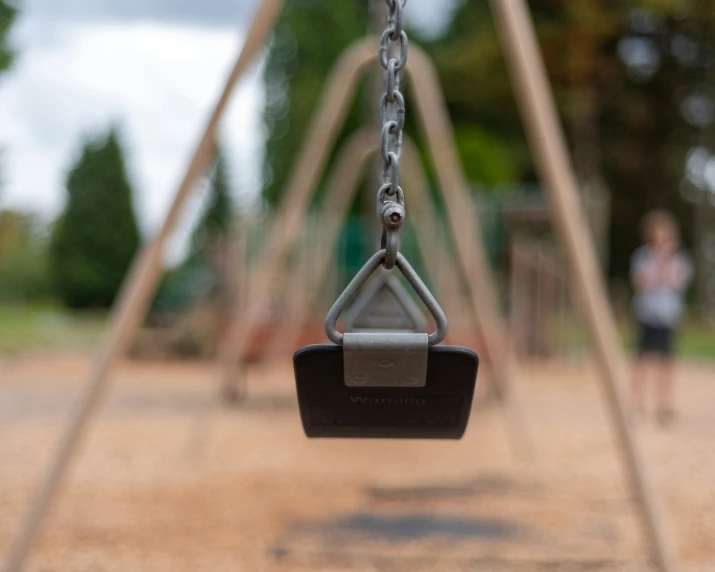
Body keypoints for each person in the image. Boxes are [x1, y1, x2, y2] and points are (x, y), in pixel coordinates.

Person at [630, 210, 692, 425]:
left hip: (667, 315)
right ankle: (636, 402)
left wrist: (664, 264)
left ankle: (664, 404)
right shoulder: (641, 256)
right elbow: (641, 282)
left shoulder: (678, 259)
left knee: (666, 361)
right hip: (647, 312)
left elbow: (675, 284)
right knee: (641, 359)